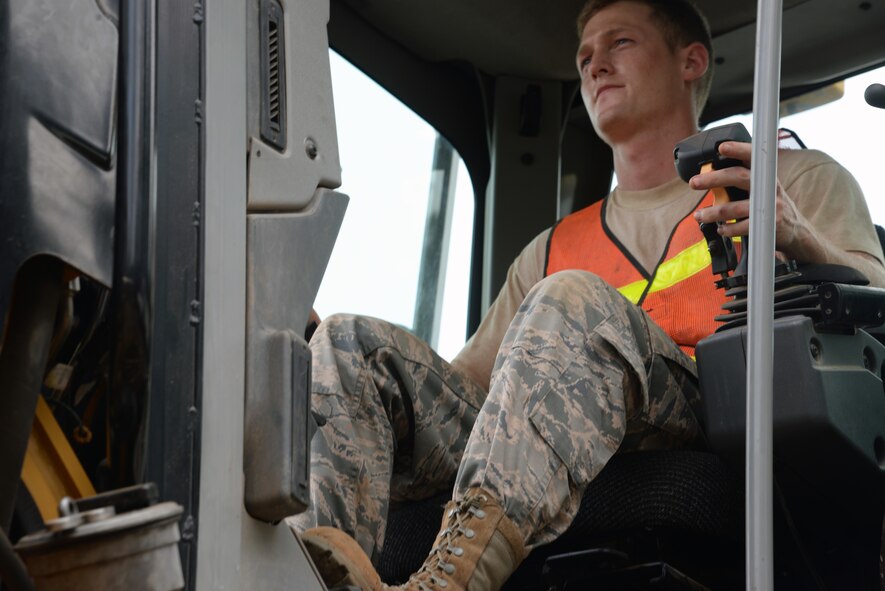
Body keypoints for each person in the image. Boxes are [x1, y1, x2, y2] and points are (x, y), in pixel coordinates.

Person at [287, 1, 885, 589]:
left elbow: (875, 297)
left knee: (570, 299)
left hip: (714, 413)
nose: (595, 65)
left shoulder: (787, 179)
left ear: (691, 61)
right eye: (585, 56)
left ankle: (452, 579)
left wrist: (800, 236)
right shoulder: (551, 248)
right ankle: (309, 576)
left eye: (620, 43)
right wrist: (328, 356)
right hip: (561, 429)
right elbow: (467, 391)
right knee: (347, 343)